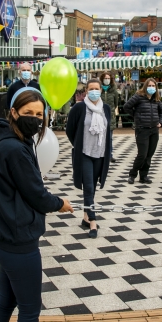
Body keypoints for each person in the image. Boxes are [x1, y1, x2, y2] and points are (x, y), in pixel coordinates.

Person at [0, 87, 74, 322]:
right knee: (30, 308)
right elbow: (35, 193)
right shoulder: (15, 150)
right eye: (28, 114)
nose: (34, 119)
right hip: (18, 240)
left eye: (39, 114)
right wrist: (59, 203)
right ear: (13, 113)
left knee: (6, 300)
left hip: (7, 236)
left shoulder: (15, 142)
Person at [66, 78, 113, 238]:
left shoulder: (105, 109)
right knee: (89, 187)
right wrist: (79, 145)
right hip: (85, 154)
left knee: (92, 187)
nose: (94, 91)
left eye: (96, 89)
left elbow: (108, 131)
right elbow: (70, 130)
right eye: (90, 89)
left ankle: (86, 217)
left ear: (101, 90)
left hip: (100, 154)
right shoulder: (79, 108)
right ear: (86, 91)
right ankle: (93, 222)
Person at [123, 78, 162, 184]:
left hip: (154, 130)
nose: (151, 88)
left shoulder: (156, 99)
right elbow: (126, 107)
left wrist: (161, 121)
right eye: (149, 86)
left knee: (149, 155)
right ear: (145, 86)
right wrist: (137, 117)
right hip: (142, 130)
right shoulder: (139, 96)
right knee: (142, 154)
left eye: (153, 86)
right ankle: (132, 174)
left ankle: (143, 176)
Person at [100, 71, 120, 159]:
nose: (107, 80)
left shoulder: (114, 91)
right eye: (105, 78)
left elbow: (116, 104)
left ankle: (109, 155)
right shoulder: (99, 90)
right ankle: (100, 154)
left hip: (110, 116)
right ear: (102, 79)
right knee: (100, 137)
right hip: (100, 116)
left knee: (109, 137)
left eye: (108, 78)